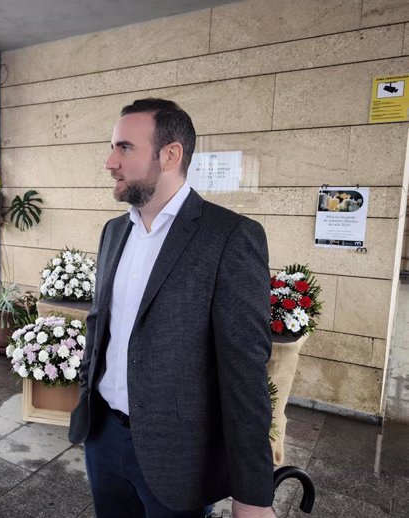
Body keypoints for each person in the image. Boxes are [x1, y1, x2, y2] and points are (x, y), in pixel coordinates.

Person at [68, 98, 276, 518]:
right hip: (104, 437)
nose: (110, 161)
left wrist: (253, 494)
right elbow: (100, 326)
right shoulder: (114, 231)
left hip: (178, 456)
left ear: (170, 154)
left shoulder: (229, 237)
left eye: (124, 147)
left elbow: (245, 374)